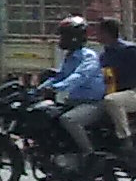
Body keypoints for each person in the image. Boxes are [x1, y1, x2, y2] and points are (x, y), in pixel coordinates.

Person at [41, 15, 107, 164]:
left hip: (93, 104)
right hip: (75, 102)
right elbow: (60, 76)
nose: (61, 39)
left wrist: (56, 87)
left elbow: (79, 76)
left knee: (69, 120)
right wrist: (37, 90)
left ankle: (89, 155)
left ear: (75, 37)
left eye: (64, 35)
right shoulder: (69, 57)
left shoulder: (88, 57)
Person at [94, 16, 136, 142]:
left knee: (112, 100)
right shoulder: (105, 55)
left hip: (135, 94)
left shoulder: (129, 50)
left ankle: (125, 138)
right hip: (115, 94)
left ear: (106, 33)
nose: (95, 35)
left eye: (98, 31)